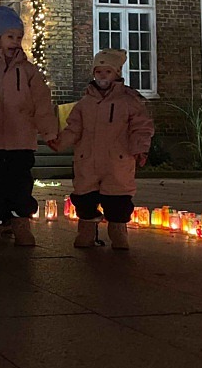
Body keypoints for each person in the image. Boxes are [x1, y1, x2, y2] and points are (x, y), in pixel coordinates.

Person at [50, 49, 154, 250]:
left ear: (116, 73)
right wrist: (61, 141)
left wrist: (140, 149)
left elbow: (141, 127)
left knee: (117, 200)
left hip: (117, 160)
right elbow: (74, 127)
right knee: (84, 198)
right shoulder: (85, 103)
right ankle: (86, 232)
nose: (102, 76)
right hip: (88, 160)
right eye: (99, 72)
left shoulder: (128, 101)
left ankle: (118, 232)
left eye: (107, 72)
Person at [0, 5, 57, 247]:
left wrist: (49, 131)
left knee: (20, 184)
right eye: (10, 37)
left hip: (21, 140)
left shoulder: (29, 71)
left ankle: (21, 224)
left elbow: (42, 103)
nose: (15, 42)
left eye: (19, 37)